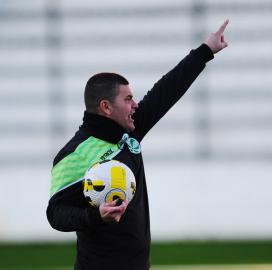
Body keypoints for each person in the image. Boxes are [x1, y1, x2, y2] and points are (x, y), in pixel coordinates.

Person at [46, 20, 229, 270]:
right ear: (106, 107)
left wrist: (206, 51)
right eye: (128, 98)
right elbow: (56, 214)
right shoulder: (74, 154)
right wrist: (96, 216)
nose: (135, 105)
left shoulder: (129, 133)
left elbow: (166, 90)